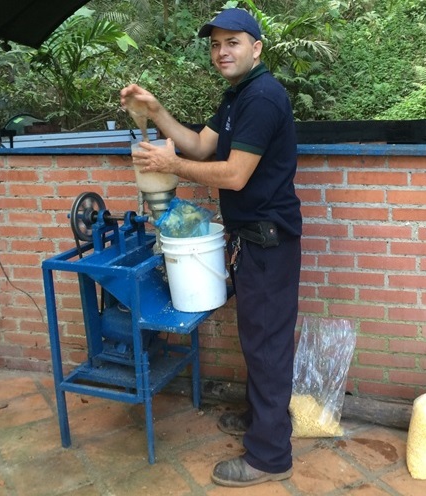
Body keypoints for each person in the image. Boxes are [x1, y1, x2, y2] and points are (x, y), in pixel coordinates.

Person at [120, 8, 302, 488]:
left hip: (268, 241)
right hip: (252, 240)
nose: (222, 51)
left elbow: (235, 173)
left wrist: (169, 164)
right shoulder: (237, 96)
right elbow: (201, 148)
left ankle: (270, 456)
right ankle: (264, 421)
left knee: (266, 346)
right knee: (258, 341)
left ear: (257, 47)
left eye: (233, 42)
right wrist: (156, 113)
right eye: (215, 44)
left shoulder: (263, 97)